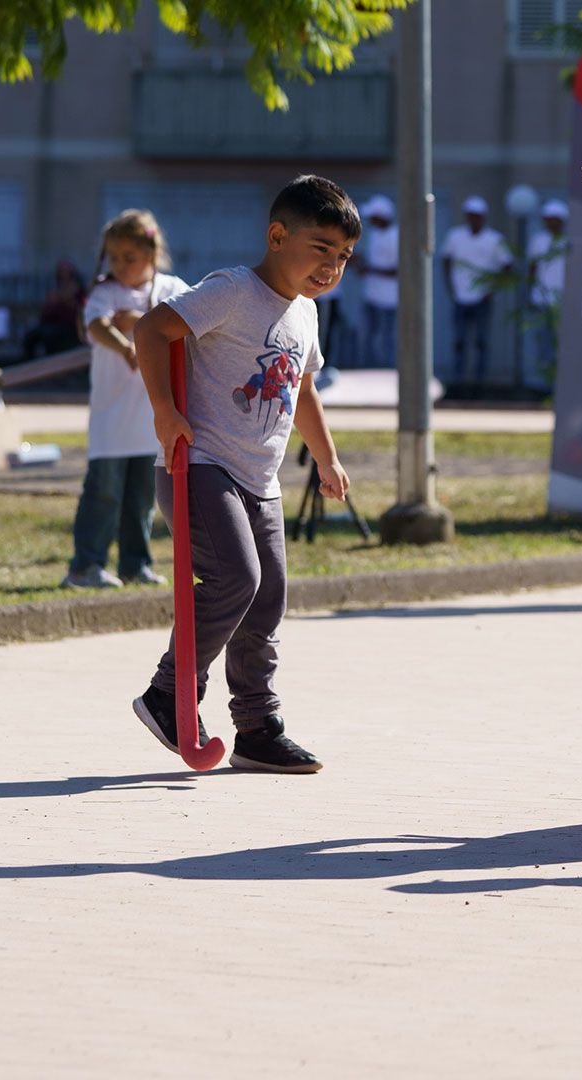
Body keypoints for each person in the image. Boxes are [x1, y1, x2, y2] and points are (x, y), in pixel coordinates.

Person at [126, 175, 354, 773]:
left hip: (262, 480)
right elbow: (151, 330)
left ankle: (256, 726)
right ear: (278, 236)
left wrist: (326, 457)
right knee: (237, 579)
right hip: (202, 465)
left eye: (345, 257)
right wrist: (164, 411)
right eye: (321, 249)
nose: (332, 267)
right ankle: (168, 692)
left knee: (266, 601)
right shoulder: (232, 290)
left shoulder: (304, 313)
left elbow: (303, 388)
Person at [63, 211, 188, 590]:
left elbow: (189, 326)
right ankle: (86, 566)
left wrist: (138, 321)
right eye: (113, 257)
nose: (119, 265)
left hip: (152, 420)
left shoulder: (172, 289)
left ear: (151, 252)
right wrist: (125, 347)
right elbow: (97, 326)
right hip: (111, 420)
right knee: (103, 493)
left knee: (142, 499)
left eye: (128, 257)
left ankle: (135, 564)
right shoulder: (104, 292)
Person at [440, 195, 511, 392]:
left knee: (481, 342)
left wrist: (492, 290)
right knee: (459, 341)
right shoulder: (455, 236)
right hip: (460, 298)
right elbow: (445, 260)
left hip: (483, 299)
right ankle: (458, 382)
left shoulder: (495, 239)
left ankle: (479, 384)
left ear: (484, 217)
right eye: (470, 215)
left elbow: (507, 267)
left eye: (477, 216)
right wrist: (451, 287)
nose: (474, 219)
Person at [524, 199, 567, 384]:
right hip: (541, 299)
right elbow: (532, 268)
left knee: (562, 344)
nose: (548, 222)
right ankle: (543, 385)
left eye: (552, 219)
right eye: (546, 219)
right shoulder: (538, 240)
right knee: (543, 343)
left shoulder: (568, 241)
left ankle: (560, 385)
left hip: (563, 301)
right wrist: (530, 292)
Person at [358, 195, 399, 368]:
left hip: (389, 299)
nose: (370, 220)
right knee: (367, 337)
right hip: (370, 295)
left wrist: (370, 270)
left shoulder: (397, 237)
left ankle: (386, 374)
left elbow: (399, 270)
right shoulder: (374, 233)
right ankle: (367, 374)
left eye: (373, 217)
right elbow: (373, 259)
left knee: (386, 340)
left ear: (382, 217)